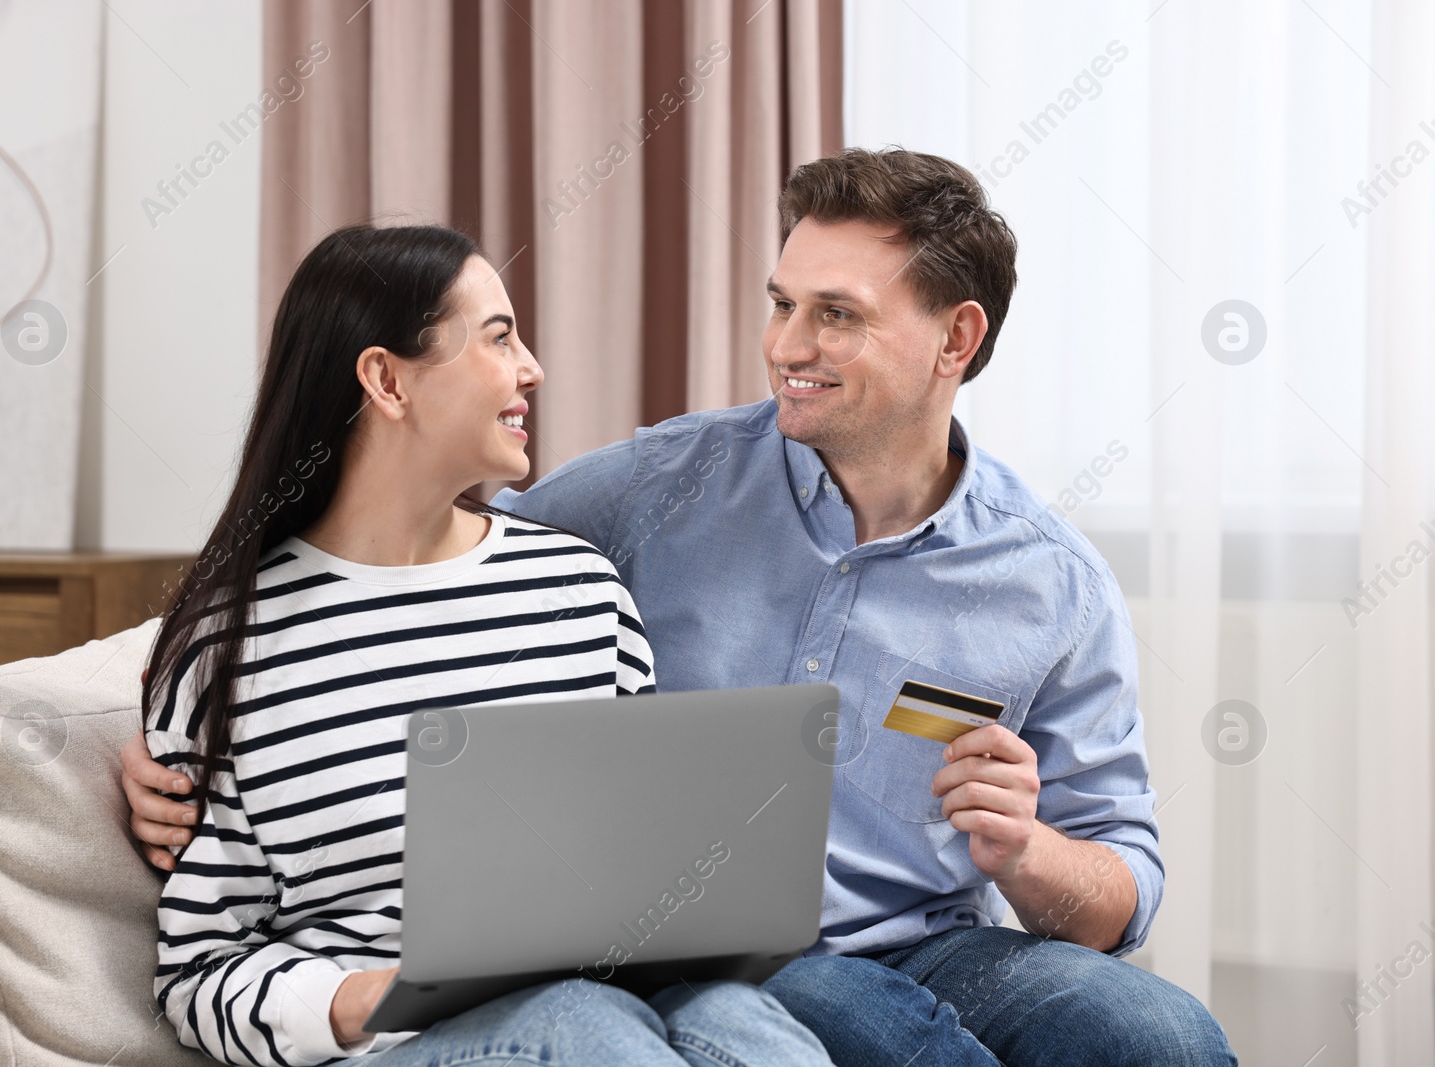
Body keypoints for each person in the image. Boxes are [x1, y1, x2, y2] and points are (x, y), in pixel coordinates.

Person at [126, 148, 1235, 1065]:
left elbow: (1120, 879)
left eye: (835, 315)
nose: (786, 347)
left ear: (956, 340)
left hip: (904, 941)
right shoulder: (649, 492)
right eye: (782, 303)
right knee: (748, 1019)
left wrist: (1025, 849)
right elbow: (397, 549)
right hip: (704, 962)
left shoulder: (1050, 580)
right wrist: (173, 717)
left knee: (1158, 1035)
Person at [138, 222, 838, 1067]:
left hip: (600, 1005)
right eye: (500, 337)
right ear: (386, 379)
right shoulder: (229, 647)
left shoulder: (580, 590)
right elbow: (200, 968)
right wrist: (368, 992)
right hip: (401, 1047)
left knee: (739, 1020)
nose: (532, 368)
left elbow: (648, 869)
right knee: (578, 1026)